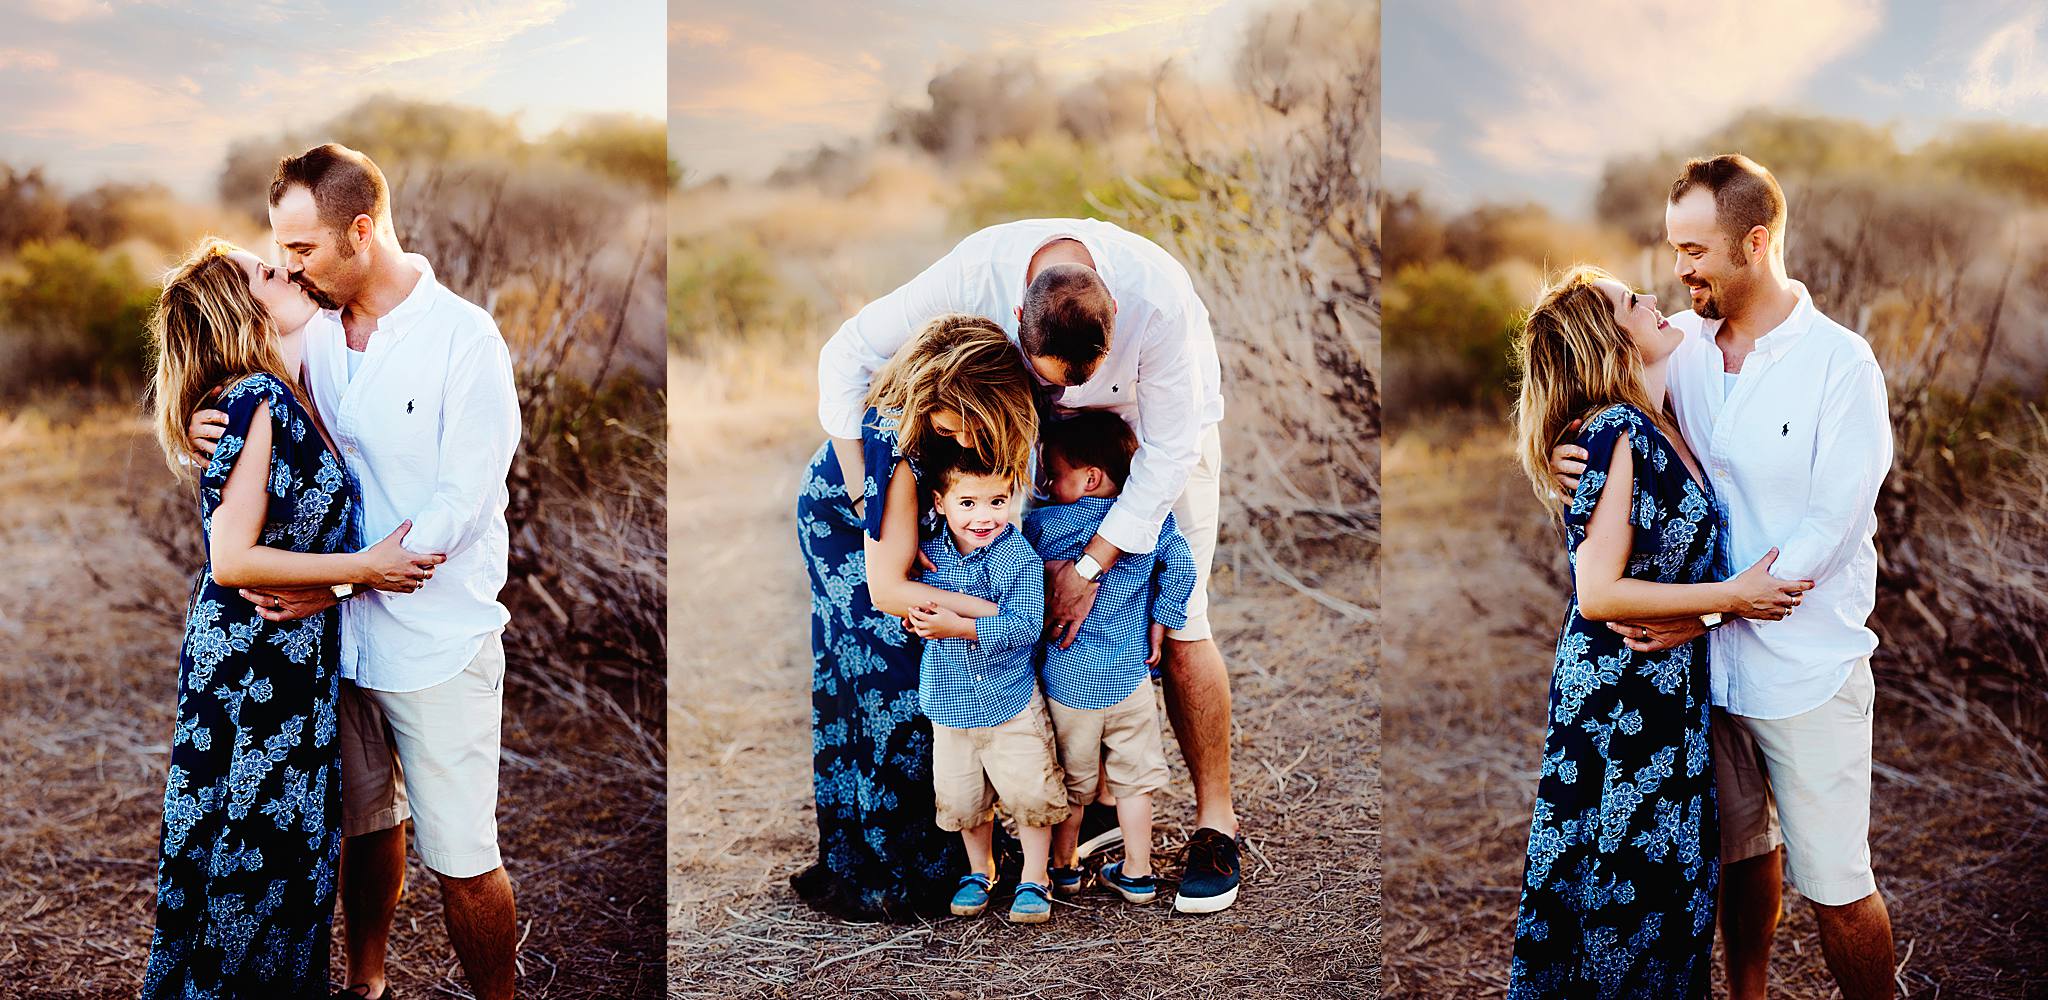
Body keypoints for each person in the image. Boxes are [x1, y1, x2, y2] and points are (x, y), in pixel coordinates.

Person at [817, 218, 1241, 911]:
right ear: (1016, 316)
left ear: (1116, 315)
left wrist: (1093, 565)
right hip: (1031, 444)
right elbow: (844, 354)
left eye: (1083, 380)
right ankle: (1085, 800)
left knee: (1181, 620)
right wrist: (870, 494)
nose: (1070, 394)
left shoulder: (1157, 300)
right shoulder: (971, 272)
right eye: (1056, 382)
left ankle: (1215, 823)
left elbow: (1169, 453)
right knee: (1028, 606)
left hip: (1154, 439)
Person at [1549, 156, 1898, 1000]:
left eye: (1697, 250)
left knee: (1838, 889)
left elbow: (1827, 532)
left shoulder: (1840, 366)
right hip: (1703, 683)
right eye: (1674, 249)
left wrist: (1703, 617)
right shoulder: (1683, 349)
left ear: (1755, 241)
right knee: (1741, 862)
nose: (1681, 270)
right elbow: (1598, 404)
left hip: (1805, 671)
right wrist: (1557, 458)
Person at [187, 143, 523, 1000]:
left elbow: (461, 504)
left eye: (301, 250)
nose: (288, 267)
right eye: (281, 249)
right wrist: (197, 423)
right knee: (367, 831)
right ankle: (366, 986)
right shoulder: (313, 333)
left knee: (465, 860)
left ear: (360, 232)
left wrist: (334, 581)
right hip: (333, 648)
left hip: (435, 643)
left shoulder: (463, 338)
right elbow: (249, 396)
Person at [141, 239, 443, 999]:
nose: (287, 273)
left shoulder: (288, 387)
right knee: (251, 856)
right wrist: (364, 569)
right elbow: (234, 559)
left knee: (282, 853)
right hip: (254, 660)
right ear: (244, 311)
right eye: (266, 275)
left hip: (292, 654)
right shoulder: (256, 400)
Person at [1508, 265, 1811, 998]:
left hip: (1670, 690)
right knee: (1623, 894)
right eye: (1632, 303)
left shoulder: (1663, 417)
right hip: (1620, 701)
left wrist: (1713, 610)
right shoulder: (1616, 430)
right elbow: (1599, 591)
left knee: (1669, 892)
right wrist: (1735, 596)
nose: (1653, 299)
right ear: (1612, 344)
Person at [792, 313, 1040, 920]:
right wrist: (994, 612)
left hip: (893, 544)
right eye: (962, 418)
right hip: (846, 541)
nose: (971, 432)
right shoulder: (897, 454)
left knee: (920, 666)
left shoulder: (968, 431)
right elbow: (887, 591)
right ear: (934, 399)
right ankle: (900, 860)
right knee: (896, 682)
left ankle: (956, 840)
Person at [1025, 410, 1196, 907]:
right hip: (1131, 679)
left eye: (1054, 474)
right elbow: (1181, 567)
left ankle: (1064, 869)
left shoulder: (1040, 525)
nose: (1047, 485)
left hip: (1069, 686)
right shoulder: (1146, 523)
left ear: (1090, 478)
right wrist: (1161, 622)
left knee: (1074, 786)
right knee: (1134, 782)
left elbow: (1016, 574)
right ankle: (1138, 873)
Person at [903, 453, 1066, 924]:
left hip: (1007, 699)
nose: (984, 516)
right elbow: (909, 607)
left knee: (1030, 793)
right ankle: (981, 870)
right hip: (948, 703)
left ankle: (1036, 876)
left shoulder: (1017, 557)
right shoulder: (926, 552)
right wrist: (917, 622)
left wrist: (959, 625)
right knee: (962, 797)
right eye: (968, 502)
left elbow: (1026, 626)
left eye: (997, 501)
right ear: (940, 501)